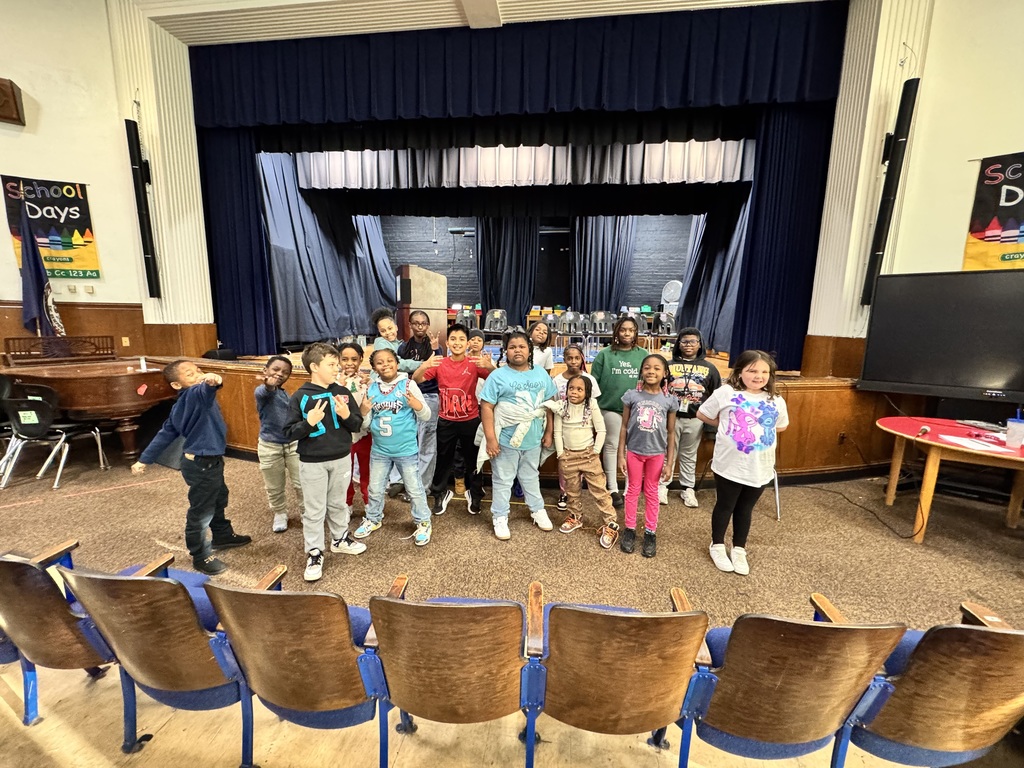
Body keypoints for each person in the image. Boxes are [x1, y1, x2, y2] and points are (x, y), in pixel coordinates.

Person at [131, 361, 251, 576]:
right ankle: (200, 555)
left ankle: (222, 535)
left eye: (199, 371)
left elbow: (165, 433)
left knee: (218, 497)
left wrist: (144, 460)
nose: (198, 375)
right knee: (201, 510)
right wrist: (213, 379)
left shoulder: (180, 405)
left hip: (206, 462)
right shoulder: (197, 394)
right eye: (190, 374)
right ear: (177, 385)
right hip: (202, 464)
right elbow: (207, 387)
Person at [697, 350, 789, 576]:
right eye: (753, 370)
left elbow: (781, 426)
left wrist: (760, 430)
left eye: (764, 371)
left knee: (745, 508)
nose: (759, 376)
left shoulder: (775, 399)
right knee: (725, 505)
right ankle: (717, 544)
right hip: (730, 464)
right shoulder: (726, 392)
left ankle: (739, 548)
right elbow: (702, 413)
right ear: (740, 372)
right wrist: (726, 425)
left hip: (760, 466)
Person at [284, 342, 367, 583]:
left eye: (336, 363)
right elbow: (289, 433)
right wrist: (308, 423)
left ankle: (340, 539)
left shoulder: (341, 392)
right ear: (314, 367)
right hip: (312, 462)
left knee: (338, 503)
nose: (337, 367)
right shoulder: (300, 396)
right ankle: (314, 551)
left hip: (341, 457)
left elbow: (356, 424)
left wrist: (346, 415)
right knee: (314, 509)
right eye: (331, 364)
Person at [479, 331, 558, 540]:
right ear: (506, 351)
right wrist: (491, 439)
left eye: (522, 346)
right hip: (505, 439)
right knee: (503, 479)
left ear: (529, 350)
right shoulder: (498, 376)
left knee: (531, 477)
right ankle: (500, 515)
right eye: (512, 347)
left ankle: (537, 509)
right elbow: (486, 406)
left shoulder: (541, 373)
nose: (517, 350)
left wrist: (549, 432)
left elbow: (549, 404)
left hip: (533, 438)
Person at [353, 347, 434, 546]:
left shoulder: (408, 385)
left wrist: (418, 405)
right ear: (373, 368)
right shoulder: (371, 389)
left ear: (397, 363)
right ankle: (373, 518)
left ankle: (423, 521)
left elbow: (426, 416)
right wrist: (363, 412)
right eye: (380, 362)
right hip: (380, 450)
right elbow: (365, 425)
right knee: (375, 488)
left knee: (414, 488)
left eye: (389, 360)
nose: (385, 365)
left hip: (406, 450)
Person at [413, 323, 493, 516]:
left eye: (461, 339)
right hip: (446, 420)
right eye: (453, 339)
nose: (457, 343)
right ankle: (440, 493)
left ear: (467, 344)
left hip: (471, 419)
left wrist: (490, 365)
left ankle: (474, 494)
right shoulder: (440, 364)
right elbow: (416, 379)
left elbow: (496, 378)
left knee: (473, 460)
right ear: (447, 342)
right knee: (443, 459)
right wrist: (424, 364)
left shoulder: (474, 363)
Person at [544, 374, 619, 548]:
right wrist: (561, 453)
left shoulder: (591, 405)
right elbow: (557, 432)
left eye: (579, 389)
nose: (574, 392)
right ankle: (575, 516)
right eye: (571, 388)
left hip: (588, 456)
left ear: (587, 392)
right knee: (572, 490)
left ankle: (611, 523)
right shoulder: (561, 407)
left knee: (599, 490)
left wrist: (595, 451)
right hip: (568, 457)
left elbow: (601, 430)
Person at [617, 354, 677, 558]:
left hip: (657, 455)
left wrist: (669, 463)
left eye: (657, 368)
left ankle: (651, 532)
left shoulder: (669, 400)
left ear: (665, 373)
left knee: (652, 493)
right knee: (632, 491)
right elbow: (624, 426)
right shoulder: (632, 396)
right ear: (641, 371)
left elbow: (670, 433)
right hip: (634, 452)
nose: (651, 371)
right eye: (647, 368)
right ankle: (630, 528)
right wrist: (621, 455)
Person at [590, 316, 648, 508]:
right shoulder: (604, 355)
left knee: (632, 449)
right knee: (612, 445)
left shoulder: (643, 355)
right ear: (617, 331)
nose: (627, 333)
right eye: (623, 330)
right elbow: (593, 384)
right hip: (611, 407)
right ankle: (613, 488)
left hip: (637, 409)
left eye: (631, 330)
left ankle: (630, 488)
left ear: (635, 333)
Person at [660, 327, 722, 507]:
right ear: (678, 344)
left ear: (700, 344)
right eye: (684, 341)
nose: (688, 345)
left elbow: (716, 397)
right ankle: (663, 485)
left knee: (689, 454)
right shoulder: (668, 365)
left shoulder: (710, 368)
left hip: (696, 419)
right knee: (666, 454)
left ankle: (688, 489)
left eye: (693, 342)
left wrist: (711, 428)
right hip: (671, 418)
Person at [549, 343, 602, 511]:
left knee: (584, 462)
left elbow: (594, 403)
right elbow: (556, 405)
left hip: (584, 429)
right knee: (565, 462)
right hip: (565, 429)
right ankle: (565, 492)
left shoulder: (590, 379)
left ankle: (581, 492)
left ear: (582, 359)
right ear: (563, 359)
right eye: (569, 358)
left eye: (577, 358)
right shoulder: (557, 380)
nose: (573, 361)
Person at [254, 355, 302, 533]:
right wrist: (268, 384)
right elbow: (264, 391)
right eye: (275, 369)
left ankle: (307, 513)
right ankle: (280, 513)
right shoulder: (263, 391)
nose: (280, 374)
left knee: (301, 483)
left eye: (285, 372)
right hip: (270, 446)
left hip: (293, 444)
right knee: (274, 485)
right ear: (265, 371)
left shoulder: (285, 394)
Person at [396, 309, 443, 494]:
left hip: (429, 395)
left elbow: (437, 369)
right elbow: (401, 371)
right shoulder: (403, 348)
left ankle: (422, 486)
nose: (420, 326)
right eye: (416, 323)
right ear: (410, 325)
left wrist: (435, 349)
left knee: (426, 442)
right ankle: (402, 480)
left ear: (428, 325)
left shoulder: (435, 347)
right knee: (406, 440)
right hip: (408, 395)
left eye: (423, 323)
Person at [451, 328, 490, 496]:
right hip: (461, 408)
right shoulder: (460, 360)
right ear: (468, 343)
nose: (475, 342)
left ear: (483, 343)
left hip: (481, 408)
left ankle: (475, 481)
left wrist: (489, 365)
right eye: (472, 339)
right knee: (459, 447)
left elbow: (495, 379)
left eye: (479, 340)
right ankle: (459, 478)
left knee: (476, 445)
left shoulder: (486, 360)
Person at [338, 342, 371, 509]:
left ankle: (369, 502)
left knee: (367, 471)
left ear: (360, 360)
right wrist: (339, 386)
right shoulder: (334, 382)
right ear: (338, 360)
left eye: (354, 359)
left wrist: (367, 384)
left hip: (364, 435)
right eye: (344, 359)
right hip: (344, 437)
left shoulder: (365, 381)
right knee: (345, 473)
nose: (349, 363)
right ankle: (347, 503)